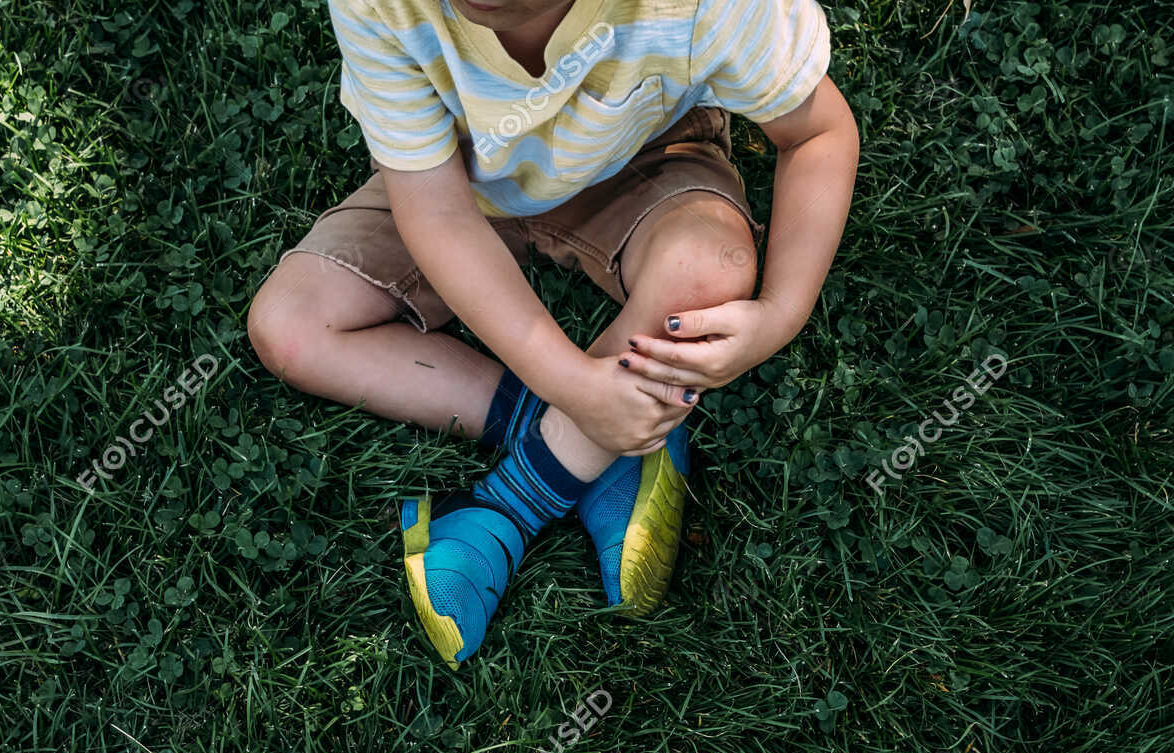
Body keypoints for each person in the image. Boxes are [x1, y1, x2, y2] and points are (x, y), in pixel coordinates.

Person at [248, 0, 858, 666]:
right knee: (292, 328)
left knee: (707, 271)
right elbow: (439, 216)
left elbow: (818, 132)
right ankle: (595, 446)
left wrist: (780, 313)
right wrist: (570, 383)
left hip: (644, 160)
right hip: (460, 182)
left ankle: (508, 505)